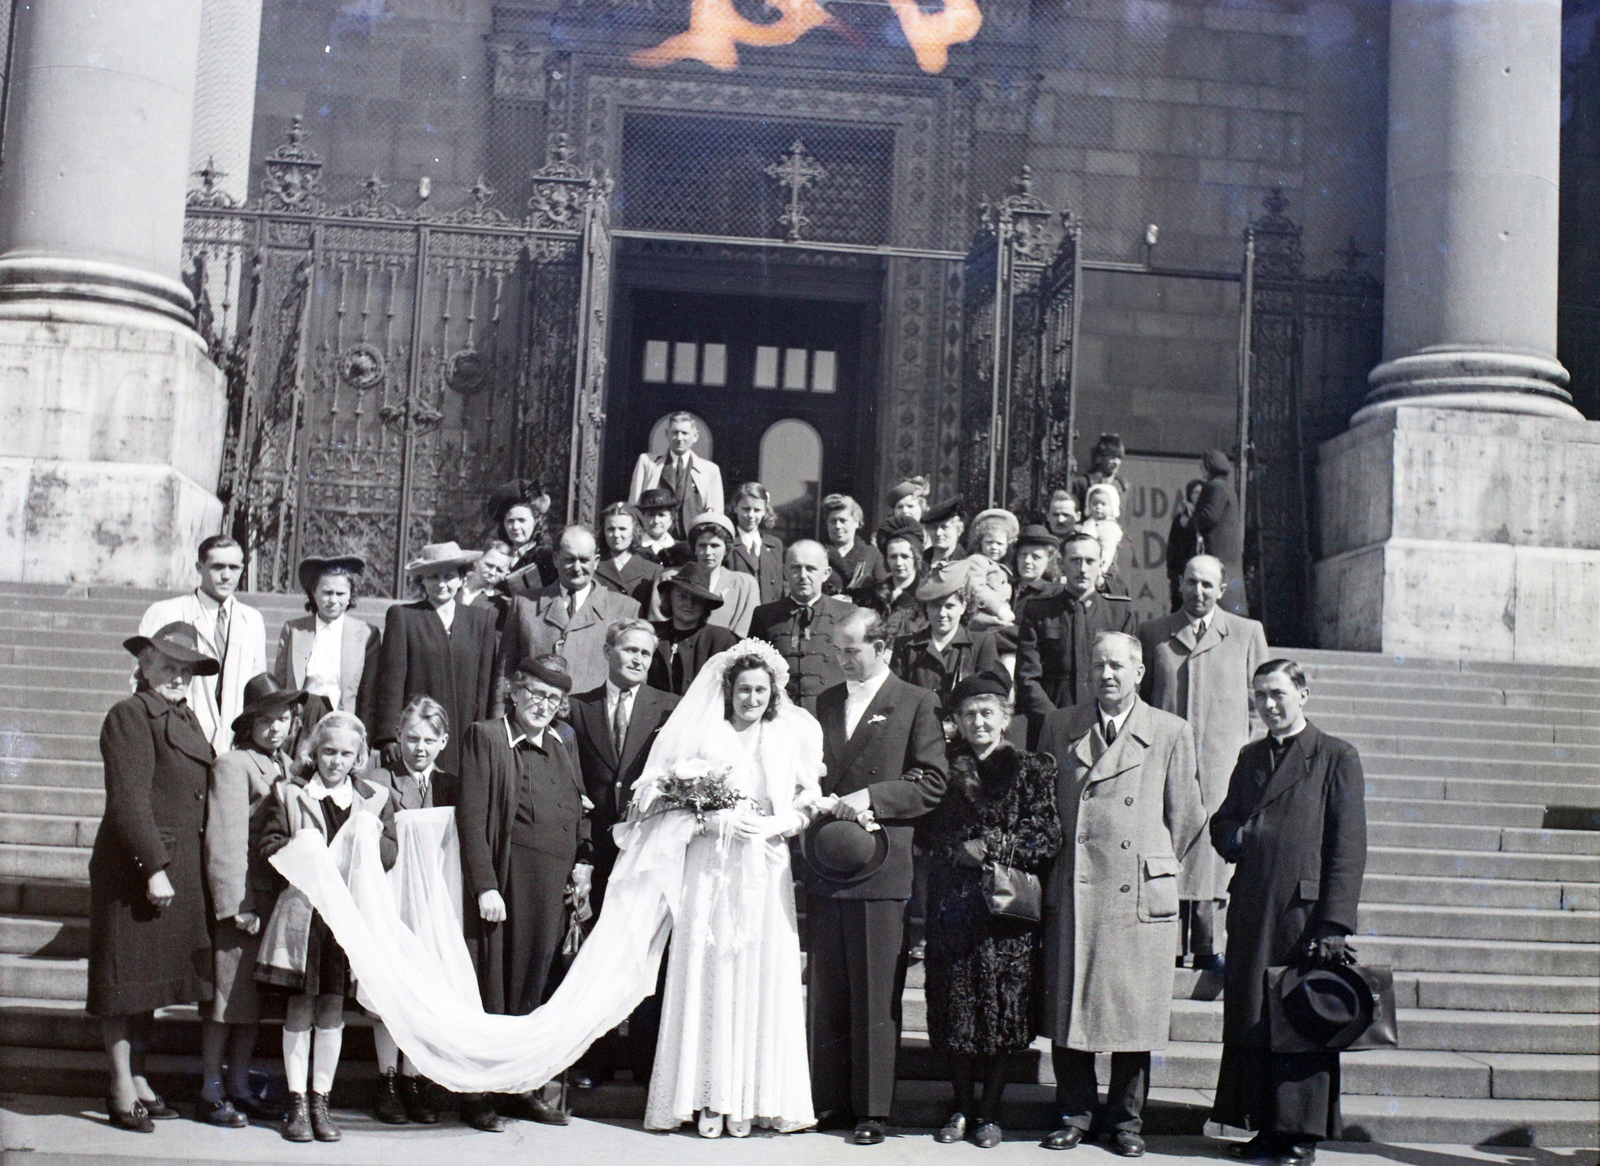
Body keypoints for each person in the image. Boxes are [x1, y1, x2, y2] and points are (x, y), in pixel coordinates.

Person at [637, 643, 821, 1136]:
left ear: (773, 692)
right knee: (709, 970)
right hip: (709, 869)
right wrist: (713, 818)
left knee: (760, 972)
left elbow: (810, 796)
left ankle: (749, 1099)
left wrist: (780, 823)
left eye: (761, 690)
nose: (752, 698)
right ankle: (708, 1099)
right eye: (744, 689)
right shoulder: (706, 735)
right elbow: (657, 794)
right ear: (729, 690)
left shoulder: (787, 736)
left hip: (765, 865)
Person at [1036, 632, 1206, 1157]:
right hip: (1076, 882)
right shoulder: (1061, 725)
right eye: (1098, 665)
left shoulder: (1170, 731)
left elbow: (1188, 816)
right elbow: (1041, 805)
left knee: (1134, 1012)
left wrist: (1153, 861)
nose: (1106, 675)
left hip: (1135, 890)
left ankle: (1128, 1122)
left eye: (1117, 666)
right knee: (1071, 1006)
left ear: (1139, 673)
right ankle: (1075, 1113)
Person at [1209, 661, 1367, 1166]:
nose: (1269, 705)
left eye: (1278, 694)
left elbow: (1348, 847)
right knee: (1254, 1019)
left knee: (1301, 1020)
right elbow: (1225, 820)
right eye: (1260, 697)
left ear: (1303, 693)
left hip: (1304, 915)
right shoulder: (1250, 755)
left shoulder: (1335, 756)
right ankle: (1263, 1126)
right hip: (1253, 907)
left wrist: (1334, 923)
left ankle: (1299, 1135)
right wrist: (1237, 837)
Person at [807, 608, 947, 1144]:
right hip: (828, 863)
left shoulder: (915, 701)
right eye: (837, 650)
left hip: (882, 865)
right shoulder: (825, 702)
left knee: (873, 992)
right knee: (829, 989)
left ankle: (872, 1108)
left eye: (852, 650)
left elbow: (933, 782)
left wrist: (873, 796)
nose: (842, 660)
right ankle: (828, 1100)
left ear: (883, 649)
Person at [922, 673, 1062, 1149]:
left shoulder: (1032, 769)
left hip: (1008, 914)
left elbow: (1047, 835)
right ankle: (960, 1108)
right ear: (956, 722)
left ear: (1005, 717)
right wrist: (956, 849)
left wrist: (993, 845)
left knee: (1003, 1013)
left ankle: (990, 1114)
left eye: (987, 713)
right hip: (955, 907)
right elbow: (926, 835)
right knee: (956, 1012)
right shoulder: (942, 769)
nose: (978, 722)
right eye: (968, 714)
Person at [90, 622, 218, 1132]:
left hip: (176, 863)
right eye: (167, 665)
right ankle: (120, 1085)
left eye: (185, 669)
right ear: (143, 664)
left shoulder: (185, 717)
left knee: (145, 984)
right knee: (124, 983)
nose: (177, 676)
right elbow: (128, 802)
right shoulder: (129, 714)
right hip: (137, 867)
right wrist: (154, 869)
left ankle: (139, 1077)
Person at [457, 656, 592, 1131]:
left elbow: (579, 805)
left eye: (552, 699)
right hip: (509, 878)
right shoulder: (487, 736)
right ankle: (479, 1094)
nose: (542, 705)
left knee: (534, 986)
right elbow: (471, 818)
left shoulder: (565, 739)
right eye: (534, 694)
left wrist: (583, 860)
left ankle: (520, 1089)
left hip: (553, 882)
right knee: (496, 986)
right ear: (513, 692)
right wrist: (486, 885)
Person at [256, 712, 398, 1144]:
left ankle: (322, 1100)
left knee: (332, 1009)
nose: (336, 761)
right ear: (314, 751)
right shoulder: (291, 794)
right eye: (328, 752)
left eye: (345, 754)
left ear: (359, 757)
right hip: (304, 916)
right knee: (301, 1008)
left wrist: (371, 842)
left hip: (348, 918)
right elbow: (268, 845)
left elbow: (391, 851)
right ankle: (296, 1102)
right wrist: (298, 848)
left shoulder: (372, 798)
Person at [1138, 554, 1269, 972]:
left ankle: (1208, 944)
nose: (1198, 592)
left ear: (1222, 590)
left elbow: (1263, 695)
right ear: (1180, 584)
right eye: (1191, 582)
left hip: (1221, 759)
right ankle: (1169, 942)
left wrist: (1245, 743)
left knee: (1213, 850)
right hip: (1166, 756)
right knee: (1169, 840)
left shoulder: (1246, 633)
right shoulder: (1154, 632)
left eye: (1207, 585)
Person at [199, 673, 305, 1128]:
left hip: (271, 903)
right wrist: (235, 904)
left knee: (251, 1005)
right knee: (226, 1002)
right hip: (244, 903)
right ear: (248, 724)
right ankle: (210, 1088)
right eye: (265, 719)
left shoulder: (282, 766)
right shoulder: (233, 764)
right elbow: (224, 841)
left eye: (283, 718)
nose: (275, 727)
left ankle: (239, 1085)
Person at [365, 695, 458, 1125]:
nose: (419, 748)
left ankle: (413, 1079)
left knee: (425, 988)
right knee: (389, 990)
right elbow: (369, 838)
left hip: (435, 899)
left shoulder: (452, 785)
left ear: (443, 742)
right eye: (412, 738)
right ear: (398, 736)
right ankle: (387, 1080)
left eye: (429, 740)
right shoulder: (379, 779)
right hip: (392, 895)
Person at [373, 542, 499, 777]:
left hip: (465, 731)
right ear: (422, 580)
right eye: (433, 577)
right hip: (418, 734)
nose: (441, 584)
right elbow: (391, 681)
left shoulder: (482, 620)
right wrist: (389, 736)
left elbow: (486, 685)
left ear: (462, 579)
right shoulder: (404, 617)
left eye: (448, 576)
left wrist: (486, 734)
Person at [138, 535, 265, 754]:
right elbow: (141, 679)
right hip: (175, 741)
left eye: (234, 567)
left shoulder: (252, 619)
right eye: (218, 567)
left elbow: (256, 684)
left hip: (232, 745)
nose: (226, 576)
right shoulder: (165, 612)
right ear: (199, 567)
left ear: (242, 569)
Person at [1015, 531, 1137, 742]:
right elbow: (1027, 678)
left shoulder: (1118, 613)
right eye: (1075, 561)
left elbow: (1129, 676)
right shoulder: (1038, 610)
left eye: (1090, 561)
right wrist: (1055, 721)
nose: (1082, 569)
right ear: (1062, 564)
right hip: (1050, 726)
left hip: (1104, 726)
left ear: (1101, 564)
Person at [501, 525, 641, 695]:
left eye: (584, 560)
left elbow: (632, 679)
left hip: (591, 717)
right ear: (555, 559)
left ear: (596, 561)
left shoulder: (624, 608)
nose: (576, 568)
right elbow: (505, 673)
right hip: (536, 714)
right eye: (569, 559)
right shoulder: (525, 604)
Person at [273, 554, 380, 751]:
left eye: (340, 594)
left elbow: (368, 695)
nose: (333, 600)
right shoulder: (295, 630)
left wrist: (364, 736)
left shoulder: (365, 633)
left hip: (343, 721)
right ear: (313, 593)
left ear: (350, 595)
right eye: (326, 592)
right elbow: (280, 684)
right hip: (302, 722)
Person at [749, 540, 854, 713]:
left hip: (831, 715)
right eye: (795, 568)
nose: (803, 575)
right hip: (780, 717)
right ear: (785, 571)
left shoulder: (847, 613)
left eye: (811, 568)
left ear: (826, 573)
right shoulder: (764, 616)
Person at [891, 571, 1003, 713]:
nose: (942, 613)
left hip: (963, 730)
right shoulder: (905, 646)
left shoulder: (981, 643)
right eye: (935, 606)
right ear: (926, 607)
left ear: (963, 607)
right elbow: (897, 696)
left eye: (950, 606)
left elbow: (989, 697)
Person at [628, 412, 724, 539]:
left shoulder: (710, 470)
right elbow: (634, 506)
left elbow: (716, 515)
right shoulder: (648, 463)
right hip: (654, 540)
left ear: (695, 436)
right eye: (675, 432)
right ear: (667, 434)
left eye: (684, 433)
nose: (679, 438)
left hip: (692, 541)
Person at [649, 562, 739, 695]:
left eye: (696, 599)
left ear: (705, 604)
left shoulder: (721, 639)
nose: (689, 604)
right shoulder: (652, 633)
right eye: (682, 596)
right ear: (670, 598)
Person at [685, 511, 759, 636]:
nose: (708, 552)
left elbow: (745, 629)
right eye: (702, 545)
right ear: (694, 548)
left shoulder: (744, 584)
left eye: (715, 546)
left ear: (726, 549)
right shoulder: (672, 578)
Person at [1194, 450, 1247, 615]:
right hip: (1229, 554)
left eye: (1203, 466)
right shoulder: (1227, 488)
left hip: (1218, 551)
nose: (1201, 470)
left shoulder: (1213, 486)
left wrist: (1189, 520)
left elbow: (1209, 516)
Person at [485, 478, 555, 592]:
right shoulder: (497, 554)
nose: (515, 527)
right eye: (510, 521)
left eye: (522, 520)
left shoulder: (545, 557)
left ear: (536, 521)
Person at [726, 481, 786, 605]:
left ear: (765, 511)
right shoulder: (727, 542)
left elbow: (779, 589)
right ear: (735, 508)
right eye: (746, 509)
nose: (751, 515)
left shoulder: (775, 545)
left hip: (768, 615)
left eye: (757, 510)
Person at [595, 502, 661, 612]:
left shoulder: (653, 571)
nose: (616, 535)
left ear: (635, 531)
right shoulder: (594, 566)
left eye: (622, 529)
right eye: (610, 529)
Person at [868, 518, 926, 642]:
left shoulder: (924, 594)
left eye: (905, 556)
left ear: (916, 558)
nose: (899, 563)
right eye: (893, 557)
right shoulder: (876, 593)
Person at [822, 493, 887, 597]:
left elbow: (882, 589)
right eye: (833, 521)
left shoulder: (871, 554)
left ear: (856, 522)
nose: (838, 526)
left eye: (843, 521)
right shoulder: (818, 554)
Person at [1165, 480, 1205, 613]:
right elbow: (1173, 547)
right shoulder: (1181, 518)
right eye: (1196, 492)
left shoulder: (1207, 517)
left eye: (1201, 493)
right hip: (1183, 569)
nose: (1199, 496)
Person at [460, 540, 517, 631]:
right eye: (489, 565)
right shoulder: (454, 585)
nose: (492, 572)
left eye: (499, 570)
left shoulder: (499, 604)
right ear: (477, 560)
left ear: (506, 574)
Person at [1013, 524, 1063, 622]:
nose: (1027, 561)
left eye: (1035, 557)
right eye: (1023, 555)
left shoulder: (1051, 595)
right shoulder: (1006, 587)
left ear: (1049, 561)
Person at [1079, 483, 1124, 588]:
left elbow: (1108, 549)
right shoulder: (1088, 523)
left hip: (1103, 568)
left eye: (1103, 504)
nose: (1098, 507)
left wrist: (1102, 569)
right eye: (1094, 503)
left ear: (1112, 506)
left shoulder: (1110, 527)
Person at [1070, 433, 1126, 513]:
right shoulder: (1082, 483)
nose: (1116, 462)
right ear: (1099, 458)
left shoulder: (1122, 486)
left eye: (1119, 457)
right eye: (1111, 457)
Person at [635, 486, 688, 567]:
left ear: (672, 518)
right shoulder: (635, 548)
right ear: (643, 517)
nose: (656, 521)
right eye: (651, 515)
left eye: (661, 515)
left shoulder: (681, 549)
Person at [968, 509, 1020, 581]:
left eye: (999, 544)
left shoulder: (1007, 566)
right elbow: (975, 588)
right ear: (981, 542)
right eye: (989, 542)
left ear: (1007, 545)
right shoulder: (976, 562)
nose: (994, 547)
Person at [923, 497, 967, 569]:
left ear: (958, 530)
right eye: (933, 527)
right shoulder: (920, 560)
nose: (938, 533)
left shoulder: (965, 562)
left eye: (945, 527)